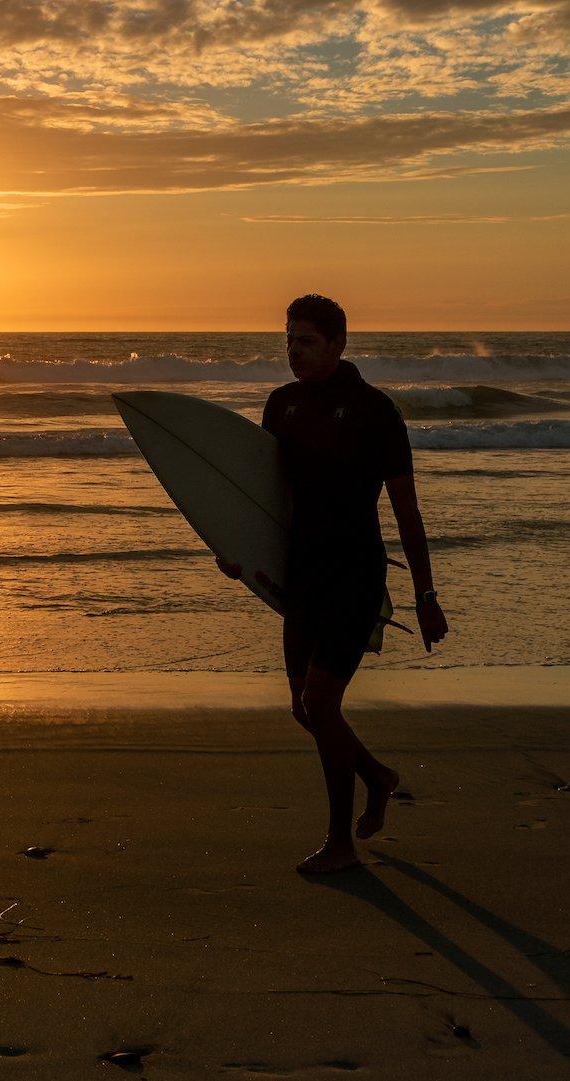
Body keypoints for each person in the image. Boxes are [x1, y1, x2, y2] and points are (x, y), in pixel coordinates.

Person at [226, 295, 448, 874]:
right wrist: (240, 554)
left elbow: (408, 512)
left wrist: (426, 596)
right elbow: (267, 498)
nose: (293, 351)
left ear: (338, 344)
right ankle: (377, 777)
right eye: (289, 340)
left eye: (305, 341)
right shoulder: (282, 406)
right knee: (305, 709)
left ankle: (340, 845)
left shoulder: (375, 412)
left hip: (354, 573)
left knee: (321, 701)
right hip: (302, 575)